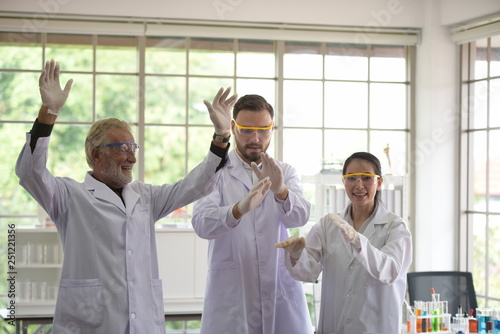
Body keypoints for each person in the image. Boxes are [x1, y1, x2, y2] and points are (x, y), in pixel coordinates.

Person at [15, 59, 237, 334]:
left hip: (143, 323)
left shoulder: (145, 197)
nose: (132, 157)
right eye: (122, 148)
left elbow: (196, 185)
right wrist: (49, 112)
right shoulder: (69, 196)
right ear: (96, 154)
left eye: (134, 148)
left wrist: (221, 135)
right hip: (91, 325)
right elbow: (30, 172)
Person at [191, 94, 313, 334]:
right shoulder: (216, 171)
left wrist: (280, 190)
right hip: (233, 294)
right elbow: (201, 224)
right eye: (247, 130)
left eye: (263, 130)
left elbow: (299, 217)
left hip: (279, 289)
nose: (255, 138)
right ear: (234, 128)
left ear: (272, 129)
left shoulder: (284, 172)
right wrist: (238, 210)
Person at [276, 152, 412, 334]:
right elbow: (308, 273)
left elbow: (390, 271)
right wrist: (295, 255)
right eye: (352, 178)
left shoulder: (395, 227)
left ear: (379, 183)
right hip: (334, 326)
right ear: (343, 182)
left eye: (366, 178)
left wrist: (358, 241)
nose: (359, 185)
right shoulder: (328, 224)